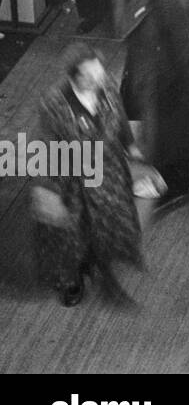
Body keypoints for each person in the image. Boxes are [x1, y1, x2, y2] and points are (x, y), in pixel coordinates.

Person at [30, 46, 142, 307]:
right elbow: (45, 148)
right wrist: (48, 189)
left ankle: (97, 257)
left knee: (105, 222)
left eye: (100, 74)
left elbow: (120, 115)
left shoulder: (105, 85)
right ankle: (71, 279)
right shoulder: (54, 104)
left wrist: (129, 144)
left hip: (107, 171)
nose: (99, 81)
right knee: (71, 234)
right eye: (91, 76)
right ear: (75, 77)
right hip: (71, 179)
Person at [107, 0, 189, 208]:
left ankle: (176, 187)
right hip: (143, 70)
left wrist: (173, 86)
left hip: (168, 79)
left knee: (170, 134)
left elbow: (185, 48)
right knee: (154, 130)